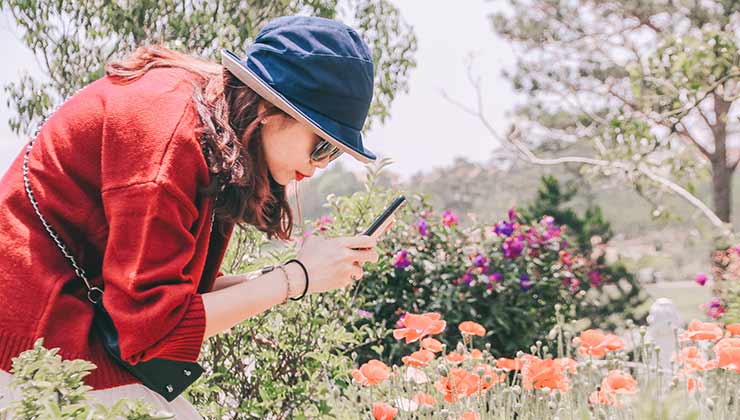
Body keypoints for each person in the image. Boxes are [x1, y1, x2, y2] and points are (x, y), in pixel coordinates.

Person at [0, 16, 382, 418]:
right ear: (270, 109)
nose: (321, 164)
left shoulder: (216, 127)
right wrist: (297, 279)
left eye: (335, 152)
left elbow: (177, 299)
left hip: (66, 326)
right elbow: (154, 331)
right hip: (29, 331)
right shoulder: (169, 140)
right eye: (321, 144)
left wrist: (294, 273)